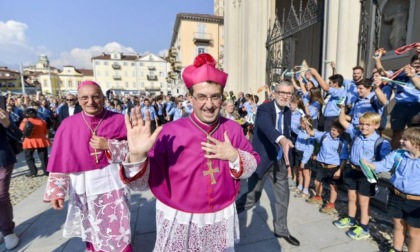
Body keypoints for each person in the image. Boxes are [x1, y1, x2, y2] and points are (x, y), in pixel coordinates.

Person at [115, 53, 260, 251]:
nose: (209, 105)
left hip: (220, 215)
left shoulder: (233, 129)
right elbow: (140, 185)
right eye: (201, 97)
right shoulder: (169, 133)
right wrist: (137, 156)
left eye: (215, 97)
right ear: (190, 98)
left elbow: (252, 167)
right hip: (180, 217)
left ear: (222, 97)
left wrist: (233, 155)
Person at [43, 81, 130, 252]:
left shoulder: (119, 120)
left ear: (104, 98)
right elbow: (60, 160)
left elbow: (136, 151)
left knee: (117, 226)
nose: (90, 101)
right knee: (91, 227)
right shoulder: (68, 124)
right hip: (82, 185)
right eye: (84, 97)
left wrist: (110, 146)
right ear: (78, 99)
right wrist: (57, 191)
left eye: (96, 96)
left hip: (112, 183)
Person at [235, 80, 300, 246]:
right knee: (252, 197)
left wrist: (288, 148)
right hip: (262, 160)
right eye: (282, 92)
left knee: (282, 196)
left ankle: (281, 230)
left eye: (288, 93)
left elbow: (286, 131)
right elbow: (266, 126)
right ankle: (229, 216)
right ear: (275, 92)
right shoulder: (265, 108)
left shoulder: (287, 111)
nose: (284, 96)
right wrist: (282, 139)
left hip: (279, 161)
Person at [362, 127, 420, 251]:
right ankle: (396, 249)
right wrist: (370, 165)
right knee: (398, 226)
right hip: (396, 196)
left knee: (415, 233)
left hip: (416, 202)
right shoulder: (398, 154)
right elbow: (383, 164)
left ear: (416, 143)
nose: (400, 141)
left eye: (405, 139)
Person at [336, 110, 392, 240]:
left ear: (376, 125)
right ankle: (351, 219)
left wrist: (373, 168)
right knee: (351, 196)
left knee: (364, 201)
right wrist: (342, 107)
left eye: (368, 124)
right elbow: (343, 121)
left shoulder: (381, 142)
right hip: (352, 169)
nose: (364, 127)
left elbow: (385, 162)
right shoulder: (356, 134)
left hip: (366, 174)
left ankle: (364, 226)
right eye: (361, 124)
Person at [304, 120, 349, 215]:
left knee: (333, 186)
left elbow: (344, 158)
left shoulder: (342, 143)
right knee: (317, 182)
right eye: (333, 129)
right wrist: (306, 125)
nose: (334, 132)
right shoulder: (324, 135)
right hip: (321, 165)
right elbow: (311, 133)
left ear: (342, 132)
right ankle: (318, 197)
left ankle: (331, 205)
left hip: (334, 167)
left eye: (338, 131)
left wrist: (339, 171)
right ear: (331, 127)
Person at [0, 107, 21, 250]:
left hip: (2, 160)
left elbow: (17, 135)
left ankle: (8, 232)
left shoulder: (2, 114)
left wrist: (6, 123)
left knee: (1, 196)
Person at [19, 108, 50, 177]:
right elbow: (45, 131)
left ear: (27, 114)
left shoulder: (25, 120)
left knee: (29, 157)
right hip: (41, 140)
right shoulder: (42, 121)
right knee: (43, 157)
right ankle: (46, 171)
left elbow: (21, 129)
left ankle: (33, 172)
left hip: (29, 141)